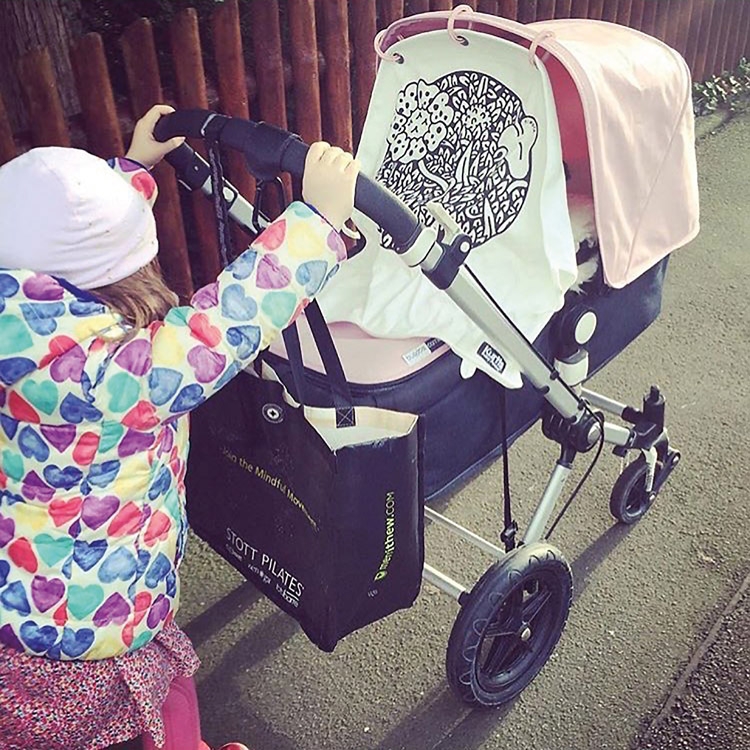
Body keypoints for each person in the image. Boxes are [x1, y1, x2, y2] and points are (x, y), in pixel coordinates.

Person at [0, 104, 359, 750]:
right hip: (88, 635)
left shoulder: (23, 328)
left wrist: (131, 171)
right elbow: (218, 331)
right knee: (166, 707)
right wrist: (315, 226)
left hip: (24, 610)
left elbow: (62, 243)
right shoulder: (105, 374)